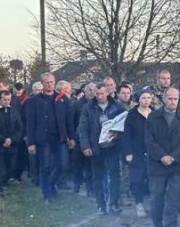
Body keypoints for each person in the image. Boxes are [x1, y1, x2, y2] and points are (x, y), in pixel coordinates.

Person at [146, 87, 180, 227]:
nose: (173, 102)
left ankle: (171, 226)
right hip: (157, 164)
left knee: (173, 197)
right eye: (170, 98)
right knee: (157, 196)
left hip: (175, 164)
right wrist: (162, 156)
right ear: (164, 99)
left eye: (175, 99)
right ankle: (158, 223)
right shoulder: (153, 117)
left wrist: (172, 157)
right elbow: (149, 140)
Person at [78, 83, 125, 215]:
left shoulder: (117, 106)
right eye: (97, 94)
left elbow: (124, 124)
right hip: (96, 147)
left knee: (114, 175)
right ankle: (101, 205)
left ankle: (114, 202)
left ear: (108, 93)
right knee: (98, 176)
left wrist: (117, 135)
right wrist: (85, 146)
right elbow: (83, 128)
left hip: (112, 146)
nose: (99, 96)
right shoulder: (88, 107)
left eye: (102, 94)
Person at [25, 72, 69, 203]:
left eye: (51, 82)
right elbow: (30, 122)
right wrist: (31, 143)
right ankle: (47, 194)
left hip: (59, 138)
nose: (49, 84)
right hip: (43, 139)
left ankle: (50, 184)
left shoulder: (63, 100)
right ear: (42, 84)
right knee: (45, 166)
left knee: (63, 165)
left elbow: (68, 120)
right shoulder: (34, 101)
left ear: (54, 82)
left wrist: (71, 137)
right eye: (46, 82)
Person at [122, 90, 154, 217]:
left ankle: (153, 204)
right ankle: (139, 204)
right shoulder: (132, 114)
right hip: (136, 151)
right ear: (138, 99)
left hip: (152, 151)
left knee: (152, 178)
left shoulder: (154, 114)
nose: (146, 100)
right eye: (144, 98)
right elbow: (127, 135)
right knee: (137, 179)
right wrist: (128, 152)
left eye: (148, 98)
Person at [0, 89, 23, 197]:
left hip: (12, 144)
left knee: (10, 166)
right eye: (4, 100)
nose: (7, 102)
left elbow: (19, 128)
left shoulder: (15, 111)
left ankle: (4, 184)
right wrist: (3, 140)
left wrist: (11, 139)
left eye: (9, 100)